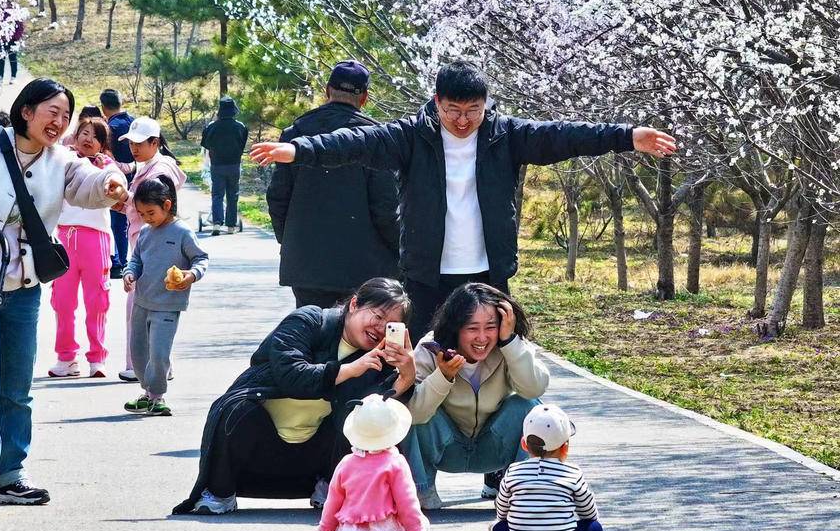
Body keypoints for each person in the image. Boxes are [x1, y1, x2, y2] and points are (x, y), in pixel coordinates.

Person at [252, 58, 678, 338]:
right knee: (412, 372)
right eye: (452, 109)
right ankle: (417, 474)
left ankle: (497, 478)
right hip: (424, 276)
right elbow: (359, 141)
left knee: (499, 366)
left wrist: (627, 136)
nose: (461, 120)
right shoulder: (412, 138)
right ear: (436, 102)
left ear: (485, 105)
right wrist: (300, 150)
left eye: (472, 110)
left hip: (487, 274)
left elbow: (564, 135)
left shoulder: (506, 135)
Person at [0, 78, 129, 505]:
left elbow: (87, 184)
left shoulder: (62, 161)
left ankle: (12, 473)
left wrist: (109, 186)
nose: (60, 122)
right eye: (52, 112)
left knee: (18, 386)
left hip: (24, 286)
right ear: (27, 111)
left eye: (66, 116)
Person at [172, 277, 418, 516]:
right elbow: (291, 375)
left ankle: (332, 484)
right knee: (238, 409)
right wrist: (350, 369)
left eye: (389, 325)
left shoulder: (381, 359)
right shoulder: (308, 320)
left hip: (315, 454)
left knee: (362, 414)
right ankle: (219, 492)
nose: (379, 328)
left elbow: (378, 411)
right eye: (377, 316)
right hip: (260, 444)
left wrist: (407, 375)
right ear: (354, 304)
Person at [266, 60, 399, 309]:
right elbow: (386, 208)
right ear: (365, 97)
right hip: (363, 267)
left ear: (327, 91)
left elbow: (277, 197)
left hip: (307, 264)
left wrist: (291, 240)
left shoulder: (294, 134)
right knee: (358, 341)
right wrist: (397, 253)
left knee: (313, 335)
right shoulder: (374, 138)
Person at [402, 283, 548, 509]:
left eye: (490, 327)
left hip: (492, 446)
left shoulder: (509, 345)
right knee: (411, 409)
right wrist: (443, 376)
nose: (482, 338)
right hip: (447, 447)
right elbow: (415, 413)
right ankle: (421, 490)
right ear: (456, 327)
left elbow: (534, 389)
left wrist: (510, 343)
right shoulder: (431, 348)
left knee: (530, 406)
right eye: (472, 328)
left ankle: (523, 489)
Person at [122, 176, 209, 417]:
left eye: (150, 212)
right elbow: (136, 259)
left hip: (168, 305)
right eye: (141, 214)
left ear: (167, 205)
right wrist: (130, 273)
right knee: (138, 353)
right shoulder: (146, 233)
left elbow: (200, 259)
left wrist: (190, 276)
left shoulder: (182, 232)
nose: (146, 218)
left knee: (159, 353)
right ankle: (147, 393)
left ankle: (158, 395)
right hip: (142, 302)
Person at [115, 116, 186, 382]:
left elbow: (157, 208)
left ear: (155, 142)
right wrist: (124, 205)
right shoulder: (150, 166)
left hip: (153, 249)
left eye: (139, 143)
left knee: (144, 310)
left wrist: (125, 199)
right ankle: (154, 366)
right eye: (131, 143)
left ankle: (142, 366)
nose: (133, 148)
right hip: (147, 245)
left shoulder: (160, 170)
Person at [48, 117, 117, 379]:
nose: (88, 139)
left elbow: (116, 181)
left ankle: (97, 358)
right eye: (83, 133)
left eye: (95, 136)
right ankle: (66, 358)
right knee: (62, 301)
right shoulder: (65, 162)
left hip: (95, 238)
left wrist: (103, 169)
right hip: (65, 237)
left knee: (97, 301)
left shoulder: (106, 167)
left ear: (102, 144)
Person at [318, 393, 428, 531]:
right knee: (423, 522)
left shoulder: (346, 463)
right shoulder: (395, 462)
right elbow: (407, 501)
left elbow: (333, 501)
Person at [491, 404, 603, 531]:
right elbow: (589, 513)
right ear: (565, 447)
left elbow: (502, 510)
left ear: (524, 444)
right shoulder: (573, 473)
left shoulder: (514, 471)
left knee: (499, 527)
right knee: (595, 529)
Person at [200, 96, 248, 235]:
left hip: (217, 165)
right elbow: (242, 143)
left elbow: (205, 144)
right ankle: (231, 226)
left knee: (217, 195)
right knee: (233, 195)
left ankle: (216, 223)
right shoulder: (240, 126)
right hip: (234, 165)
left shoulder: (212, 127)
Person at [101, 89, 134, 278]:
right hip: (135, 177)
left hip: (116, 180)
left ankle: (120, 262)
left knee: (117, 223)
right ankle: (126, 260)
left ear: (104, 107)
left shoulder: (110, 128)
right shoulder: (133, 122)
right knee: (130, 222)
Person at [0, 10, 25, 85]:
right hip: (0, 39)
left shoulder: (16, 14)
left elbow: (20, 27)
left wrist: (15, 37)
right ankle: (0, 76)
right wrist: (0, 35)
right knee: (1, 58)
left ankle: (13, 76)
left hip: (12, 40)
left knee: (13, 58)